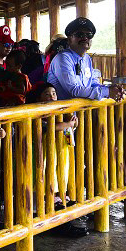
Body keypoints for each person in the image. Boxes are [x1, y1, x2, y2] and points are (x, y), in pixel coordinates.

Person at [28, 82, 87, 238]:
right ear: (39, 99)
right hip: (45, 161)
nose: (52, 96)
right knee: (48, 190)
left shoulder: (59, 113)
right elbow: (51, 128)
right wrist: (68, 124)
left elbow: (65, 130)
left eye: (54, 93)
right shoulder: (39, 115)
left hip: (59, 160)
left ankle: (65, 218)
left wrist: (72, 125)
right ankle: (60, 225)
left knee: (60, 188)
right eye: (47, 94)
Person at [47, 18, 124, 102]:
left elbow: (93, 84)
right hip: (63, 113)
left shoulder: (87, 58)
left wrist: (112, 89)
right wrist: (107, 92)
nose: (85, 38)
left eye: (89, 35)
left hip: (81, 111)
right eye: (80, 34)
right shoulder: (63, 58)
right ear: (69, 40)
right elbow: (73, 90)